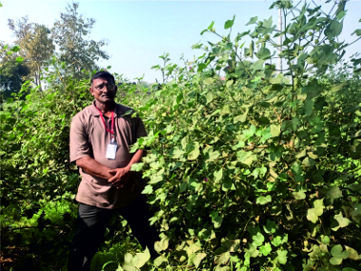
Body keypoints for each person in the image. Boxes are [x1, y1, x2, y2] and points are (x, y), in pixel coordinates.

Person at [68, 71, 158, 271]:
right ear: (92, 91)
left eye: (109, 85)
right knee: (82, 248)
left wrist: (128, 171)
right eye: (99, 86)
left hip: (131, 191)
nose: (105, 89)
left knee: (151, 239)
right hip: (95, 194)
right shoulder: (81, 119)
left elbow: (144, 145)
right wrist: (115, 175)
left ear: (115, 88)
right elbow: (81, 159)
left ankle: (164, 265)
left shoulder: (130, 114)